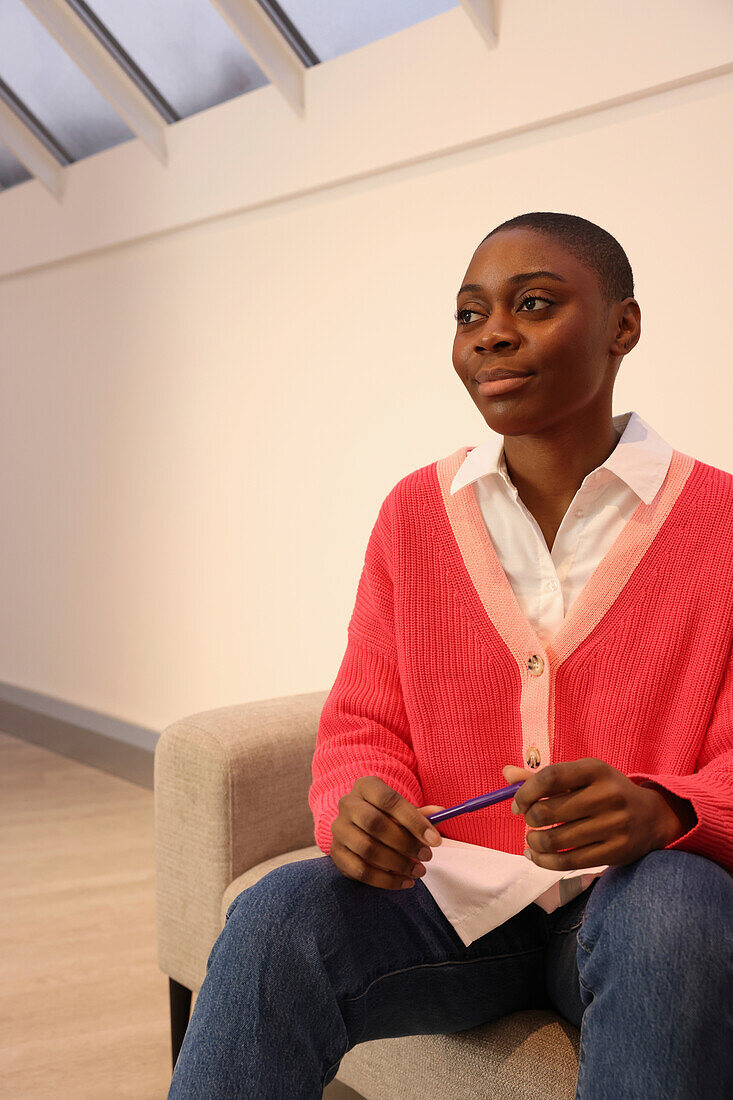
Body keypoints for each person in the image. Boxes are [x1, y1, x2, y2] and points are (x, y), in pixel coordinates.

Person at [167, 212, 733, 1099]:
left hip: (635, 910)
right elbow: (364, 721)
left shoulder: (722, 525)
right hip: (450, 902)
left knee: (673, 908)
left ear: (622, 325)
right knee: (278, 912)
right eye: (470, 316)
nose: (492, 333)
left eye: (534, 303)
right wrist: (356, 803)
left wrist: (666, 811)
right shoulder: (415, 514)